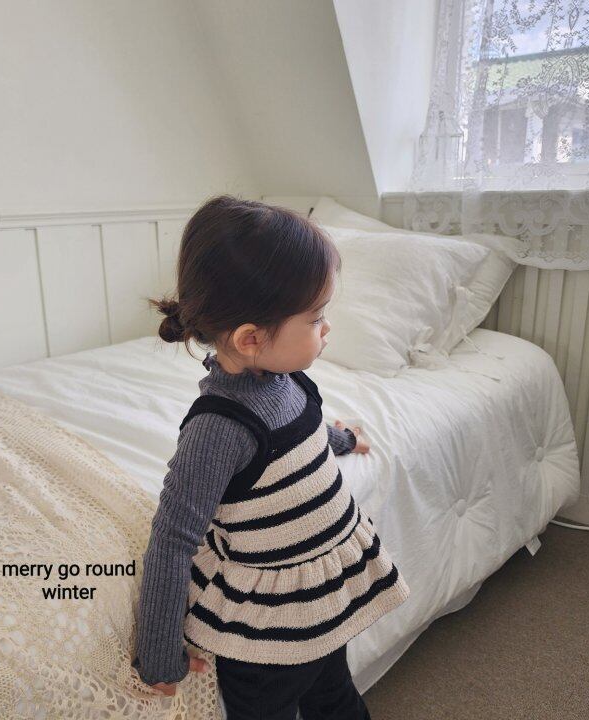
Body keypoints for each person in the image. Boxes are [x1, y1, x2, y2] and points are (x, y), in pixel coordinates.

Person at [132, 194, 411, 719]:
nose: (326, 329)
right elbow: (172, 538)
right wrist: (159, 653)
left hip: (320, 600)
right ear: (251, 338)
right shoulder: (218, 429)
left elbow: (302, 433)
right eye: (316, 318)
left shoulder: (287, 379)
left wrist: (343, 441)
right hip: (264, 630)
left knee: (336, 698)